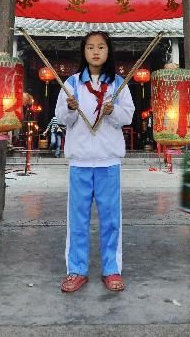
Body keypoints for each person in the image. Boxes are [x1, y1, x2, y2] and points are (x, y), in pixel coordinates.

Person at [55, 31, 135, 293]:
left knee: (111, 219)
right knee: (77, 220)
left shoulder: (119, 84)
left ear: (108, 51)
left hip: (108, 161)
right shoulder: (72, 83)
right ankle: (76, 270)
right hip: (80, 162)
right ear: (84, 52)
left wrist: (113, 112)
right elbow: (61, 119)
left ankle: (111, 269)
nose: (96, 51)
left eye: (101, 47)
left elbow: (128, 117)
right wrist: (69, 107)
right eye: (90, 47)